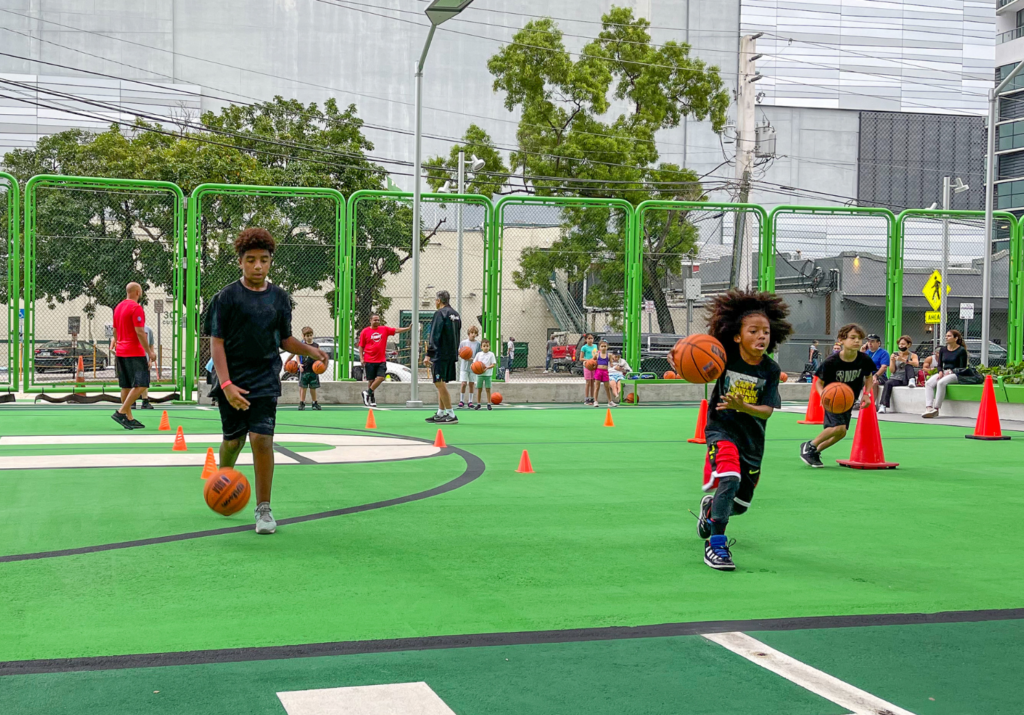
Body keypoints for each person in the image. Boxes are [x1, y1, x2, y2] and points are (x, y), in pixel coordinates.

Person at [207, 228, 328, 535]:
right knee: (232, 441)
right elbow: (216, 342)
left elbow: (284, 339)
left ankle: (264, 509)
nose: (257, 266)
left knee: (262, 440)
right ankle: (225, 477)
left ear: (271, 261)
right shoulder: (226, 297)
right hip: (232, 380)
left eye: (263, 260)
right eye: (251, 260)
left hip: (264, 379)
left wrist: (310, 349)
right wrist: (226, 385)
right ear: (240, 262)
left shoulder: (280, 298)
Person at [695, 289, 793, 571]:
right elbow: (697, 362)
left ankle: (711, 509)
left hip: (752, 440)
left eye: (766, 332)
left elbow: (767, 410)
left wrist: (742, 406)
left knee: (739, 504)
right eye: (754, 331)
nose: (762, 336)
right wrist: (679, 359)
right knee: (729, 477)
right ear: (737, 336)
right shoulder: (723, 358)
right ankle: (716, 544)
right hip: (721, 431)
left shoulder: (771, 370)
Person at [800, 324, 876, 468]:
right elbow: (818, 382)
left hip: (848, 400)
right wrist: (823, 395)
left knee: (842, 433)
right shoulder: (831, 361)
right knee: (836, 428)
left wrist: (866, 394)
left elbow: (869, 377)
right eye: (852, 338)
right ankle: (810, 445)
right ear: (841, 340)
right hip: (833, 399)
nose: (857, 341)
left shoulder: (864, 359)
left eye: (859, 338)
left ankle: (815, 451)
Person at [111, 282, 156, 430]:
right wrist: (149, 352)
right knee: (142, 383)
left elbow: (115, 330)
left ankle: (129, 418)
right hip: (134, 352)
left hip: (121, 351)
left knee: (126, 385)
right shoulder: (136, 308)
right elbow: (139, 331)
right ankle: (121, 412)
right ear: (137, 292)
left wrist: (117, 343)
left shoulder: (118, 308)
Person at [424, 290, 462, 424]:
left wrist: (429, 354)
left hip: (440, 355)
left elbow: (435, 335)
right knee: (442, 383)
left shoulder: (440, 313)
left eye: (435, 300)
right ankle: (441, 413)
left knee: (439, 382)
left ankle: (451, 414)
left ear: (439, 301)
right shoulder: (456, 315)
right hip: (450, 354)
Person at [358, 314, 410, 408]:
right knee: (371, 380)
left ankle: (367, 392)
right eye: (375, 320)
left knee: (381, 378)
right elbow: (361, 346)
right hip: (369, 359)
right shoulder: (365, 332)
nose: (377, 321)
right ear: (370, 321)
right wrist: (361, 358)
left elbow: (396, 330)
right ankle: (372, 399)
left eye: (378, 320)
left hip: (381, 359)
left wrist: (408, 328)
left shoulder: (384, 329)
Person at [923, 329, 968, 418]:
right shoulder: (943, 350)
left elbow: (962, 367)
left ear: (955, 338)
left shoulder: (961, 350)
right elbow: (940, 365)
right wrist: (940, 372)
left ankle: (936, 409)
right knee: (929, 383)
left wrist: (951, 372)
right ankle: (929, 408)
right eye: (946, 336)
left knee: (941, 383)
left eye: (949, 336)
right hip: (944, 372)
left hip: (956, 374)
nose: (946, 338)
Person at [285, 327, 322, 411]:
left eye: (311, 335)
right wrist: (299, 364)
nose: (309, 337)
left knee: (313, 387)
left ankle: (314, 403)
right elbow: (297, 354)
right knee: (303, 387)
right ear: (303, 336)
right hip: (304, 370)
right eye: (307, 335)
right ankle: (302, 403)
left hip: (313, 370)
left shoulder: (316, 346)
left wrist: (320, 364)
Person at [879, 335, 919, 413]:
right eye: (900, 344)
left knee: (908, 364)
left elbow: (916, 364)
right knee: (888, 383)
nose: (901, 346)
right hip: (896, 378)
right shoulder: (894, 354)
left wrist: (904, 360)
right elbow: (892, 370)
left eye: (903, 344)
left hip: (906, 378)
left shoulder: (913, 355)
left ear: (908, 345)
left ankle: (912, 380)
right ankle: (883, 405)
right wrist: (893, 361)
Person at [457, 326, 482, 409]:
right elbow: (460, 352)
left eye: (475, 333)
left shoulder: (478, 344)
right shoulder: (463, 343)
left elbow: (479, 355)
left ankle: (470, 401)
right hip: (464, 366)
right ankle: (461, 401)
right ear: (469, 333)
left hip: (473, 366)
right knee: (464, 383)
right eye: (472, 333)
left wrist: (473, 359)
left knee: (471, 384)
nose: (473, 335)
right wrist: (463, 356)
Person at [864, 334, 890, 406]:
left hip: (879, 375)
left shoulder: (884, 353)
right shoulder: (866, 353)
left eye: (872, 341)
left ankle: (872, 404)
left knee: (873, 382)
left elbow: (884, 367)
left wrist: (875, 375)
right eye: (868, 341)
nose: (870, 343)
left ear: (878, 343)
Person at [473, 339, 497, 410]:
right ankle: (478, 404)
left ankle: (489, 404)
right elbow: (474, 364)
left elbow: (493, 364)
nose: (486, 347)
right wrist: (475, 368)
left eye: (487, 346)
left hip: (488, 375)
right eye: (484, 346)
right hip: (479, 375)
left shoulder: (491, 354)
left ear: (489, 347)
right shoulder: (478, 354)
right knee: (479, 389)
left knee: (488, 389)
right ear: (481, 347)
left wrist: (487, 367)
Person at [578, 334, 598, 405]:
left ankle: (592, 398)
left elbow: (596, 355)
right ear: (586, 340)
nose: (590, 340)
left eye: (591, 338)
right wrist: (588, 361)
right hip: (587, 366)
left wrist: (594, 360)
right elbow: (581, 358)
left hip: (594, 366)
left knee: (593, 382)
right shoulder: (584, 347)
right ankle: (586, 399)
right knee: (588, 382)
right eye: (589, 338)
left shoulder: (595, 346)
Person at [594, 340, 614, 407]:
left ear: (607, 347)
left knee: (607, 387)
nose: (603, 348)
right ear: (599, 347)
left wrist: (612, 364)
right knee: (597, 387)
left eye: (605, 346)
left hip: (605, 372)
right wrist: (588, 363)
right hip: (598, 371)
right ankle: (595, 401)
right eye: (602, 346)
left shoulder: (609, 355)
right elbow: (592, 361)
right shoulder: (597, 354)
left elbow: (611, 363)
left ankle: (610, 401)